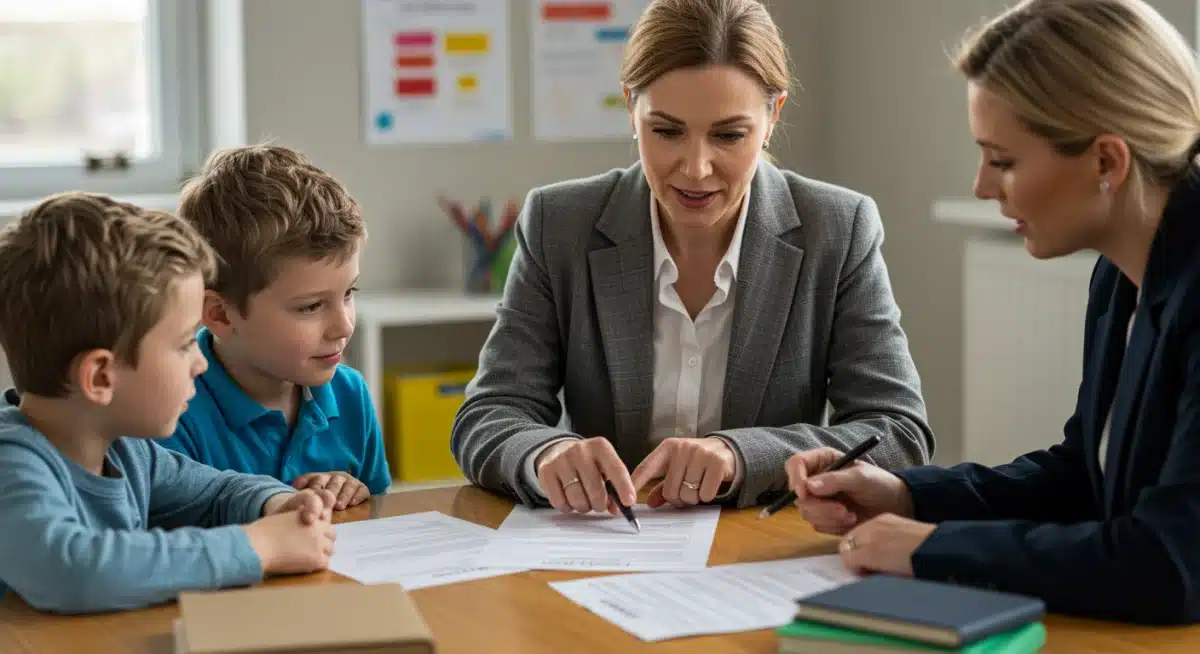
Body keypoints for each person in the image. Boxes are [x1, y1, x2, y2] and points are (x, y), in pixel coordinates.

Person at [786, 0, 1200, 625]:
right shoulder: (1122, 277)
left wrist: (932, 550)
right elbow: (1082, 480)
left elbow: (1170, 563)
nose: (982, 185)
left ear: (1106, 162)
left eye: (1003, 160)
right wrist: (906, 496)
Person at [451, 0, 933, 515]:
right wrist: (546, 452)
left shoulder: (837, 229)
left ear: (773, 117)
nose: (697, 169)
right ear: (630, 109)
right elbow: (490, 412)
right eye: (667, 131)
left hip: (758, 551)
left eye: (728, 135)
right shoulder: (559, 222)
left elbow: (898, 431)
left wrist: (741, 455)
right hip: (606, 550)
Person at [0, 193, 338, 614]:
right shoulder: (13, 466)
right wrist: (260, 546)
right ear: (101, 377)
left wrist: (279, 503)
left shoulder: (127, 451)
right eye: (182, 345)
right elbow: (72, 571)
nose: (199, 362)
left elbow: (217, 492)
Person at [159, 144, 391, 508]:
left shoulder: (351, 396)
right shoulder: (168, 411)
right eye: (311, 307)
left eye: (348, 293)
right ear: (220, 314)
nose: (343, 326)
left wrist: (355, 496)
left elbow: (382, 520)